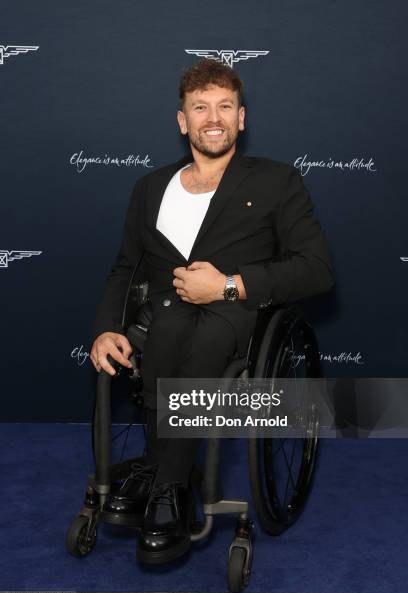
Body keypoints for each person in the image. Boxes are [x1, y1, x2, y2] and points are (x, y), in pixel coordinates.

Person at [90, 58, 334, 564]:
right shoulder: (150, 188)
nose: (213, 117)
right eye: (200, 107)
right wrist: (106, 330)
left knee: (199, 334)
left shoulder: (276, 181)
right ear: (183, 121)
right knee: (168, 326)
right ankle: (169, 473)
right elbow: (124, 270)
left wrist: (228, 285)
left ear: (241, 118)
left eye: (225, 106)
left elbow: (315, 269)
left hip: (239, 315)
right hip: (162, 316)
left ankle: (167, 485)